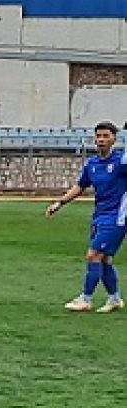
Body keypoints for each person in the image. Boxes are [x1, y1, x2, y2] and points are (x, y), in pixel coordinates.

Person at [48, 122, 127, 312]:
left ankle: (86, 298)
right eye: (98, 136)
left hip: (117, 217)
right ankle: (114, 298)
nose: (101, 139)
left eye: (106, 136)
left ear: (114, 139)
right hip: (100, 215)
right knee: (104, 259)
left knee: (93, 255)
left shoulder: (121, 162)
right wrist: (60, 203)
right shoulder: (92, 164)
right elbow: (80, 186)